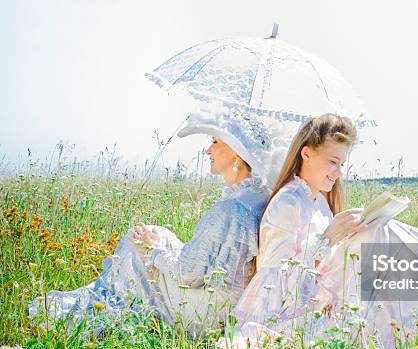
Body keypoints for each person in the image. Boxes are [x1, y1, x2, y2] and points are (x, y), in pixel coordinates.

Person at [225, 113, 418, 349]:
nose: (338, 172)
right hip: (291, 309)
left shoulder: (318, 201)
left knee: (378, 229)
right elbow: (275, 281)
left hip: (328, 290)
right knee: (377, 234)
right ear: (306, 153)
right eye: (332, 162)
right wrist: (329, 239)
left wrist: (341, 233)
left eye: (341, 164)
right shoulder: (289, 202)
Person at [29, 108, 282, 333]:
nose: (208, 150)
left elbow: (187, 275)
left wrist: (153, 251)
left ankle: (106, 307)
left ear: (237, 153)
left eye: (215, 142)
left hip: (200, 313)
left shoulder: (230, 210)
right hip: (225, 304)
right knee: (157, 233)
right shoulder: (258, 198)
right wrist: (158, 242)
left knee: (136, 242)